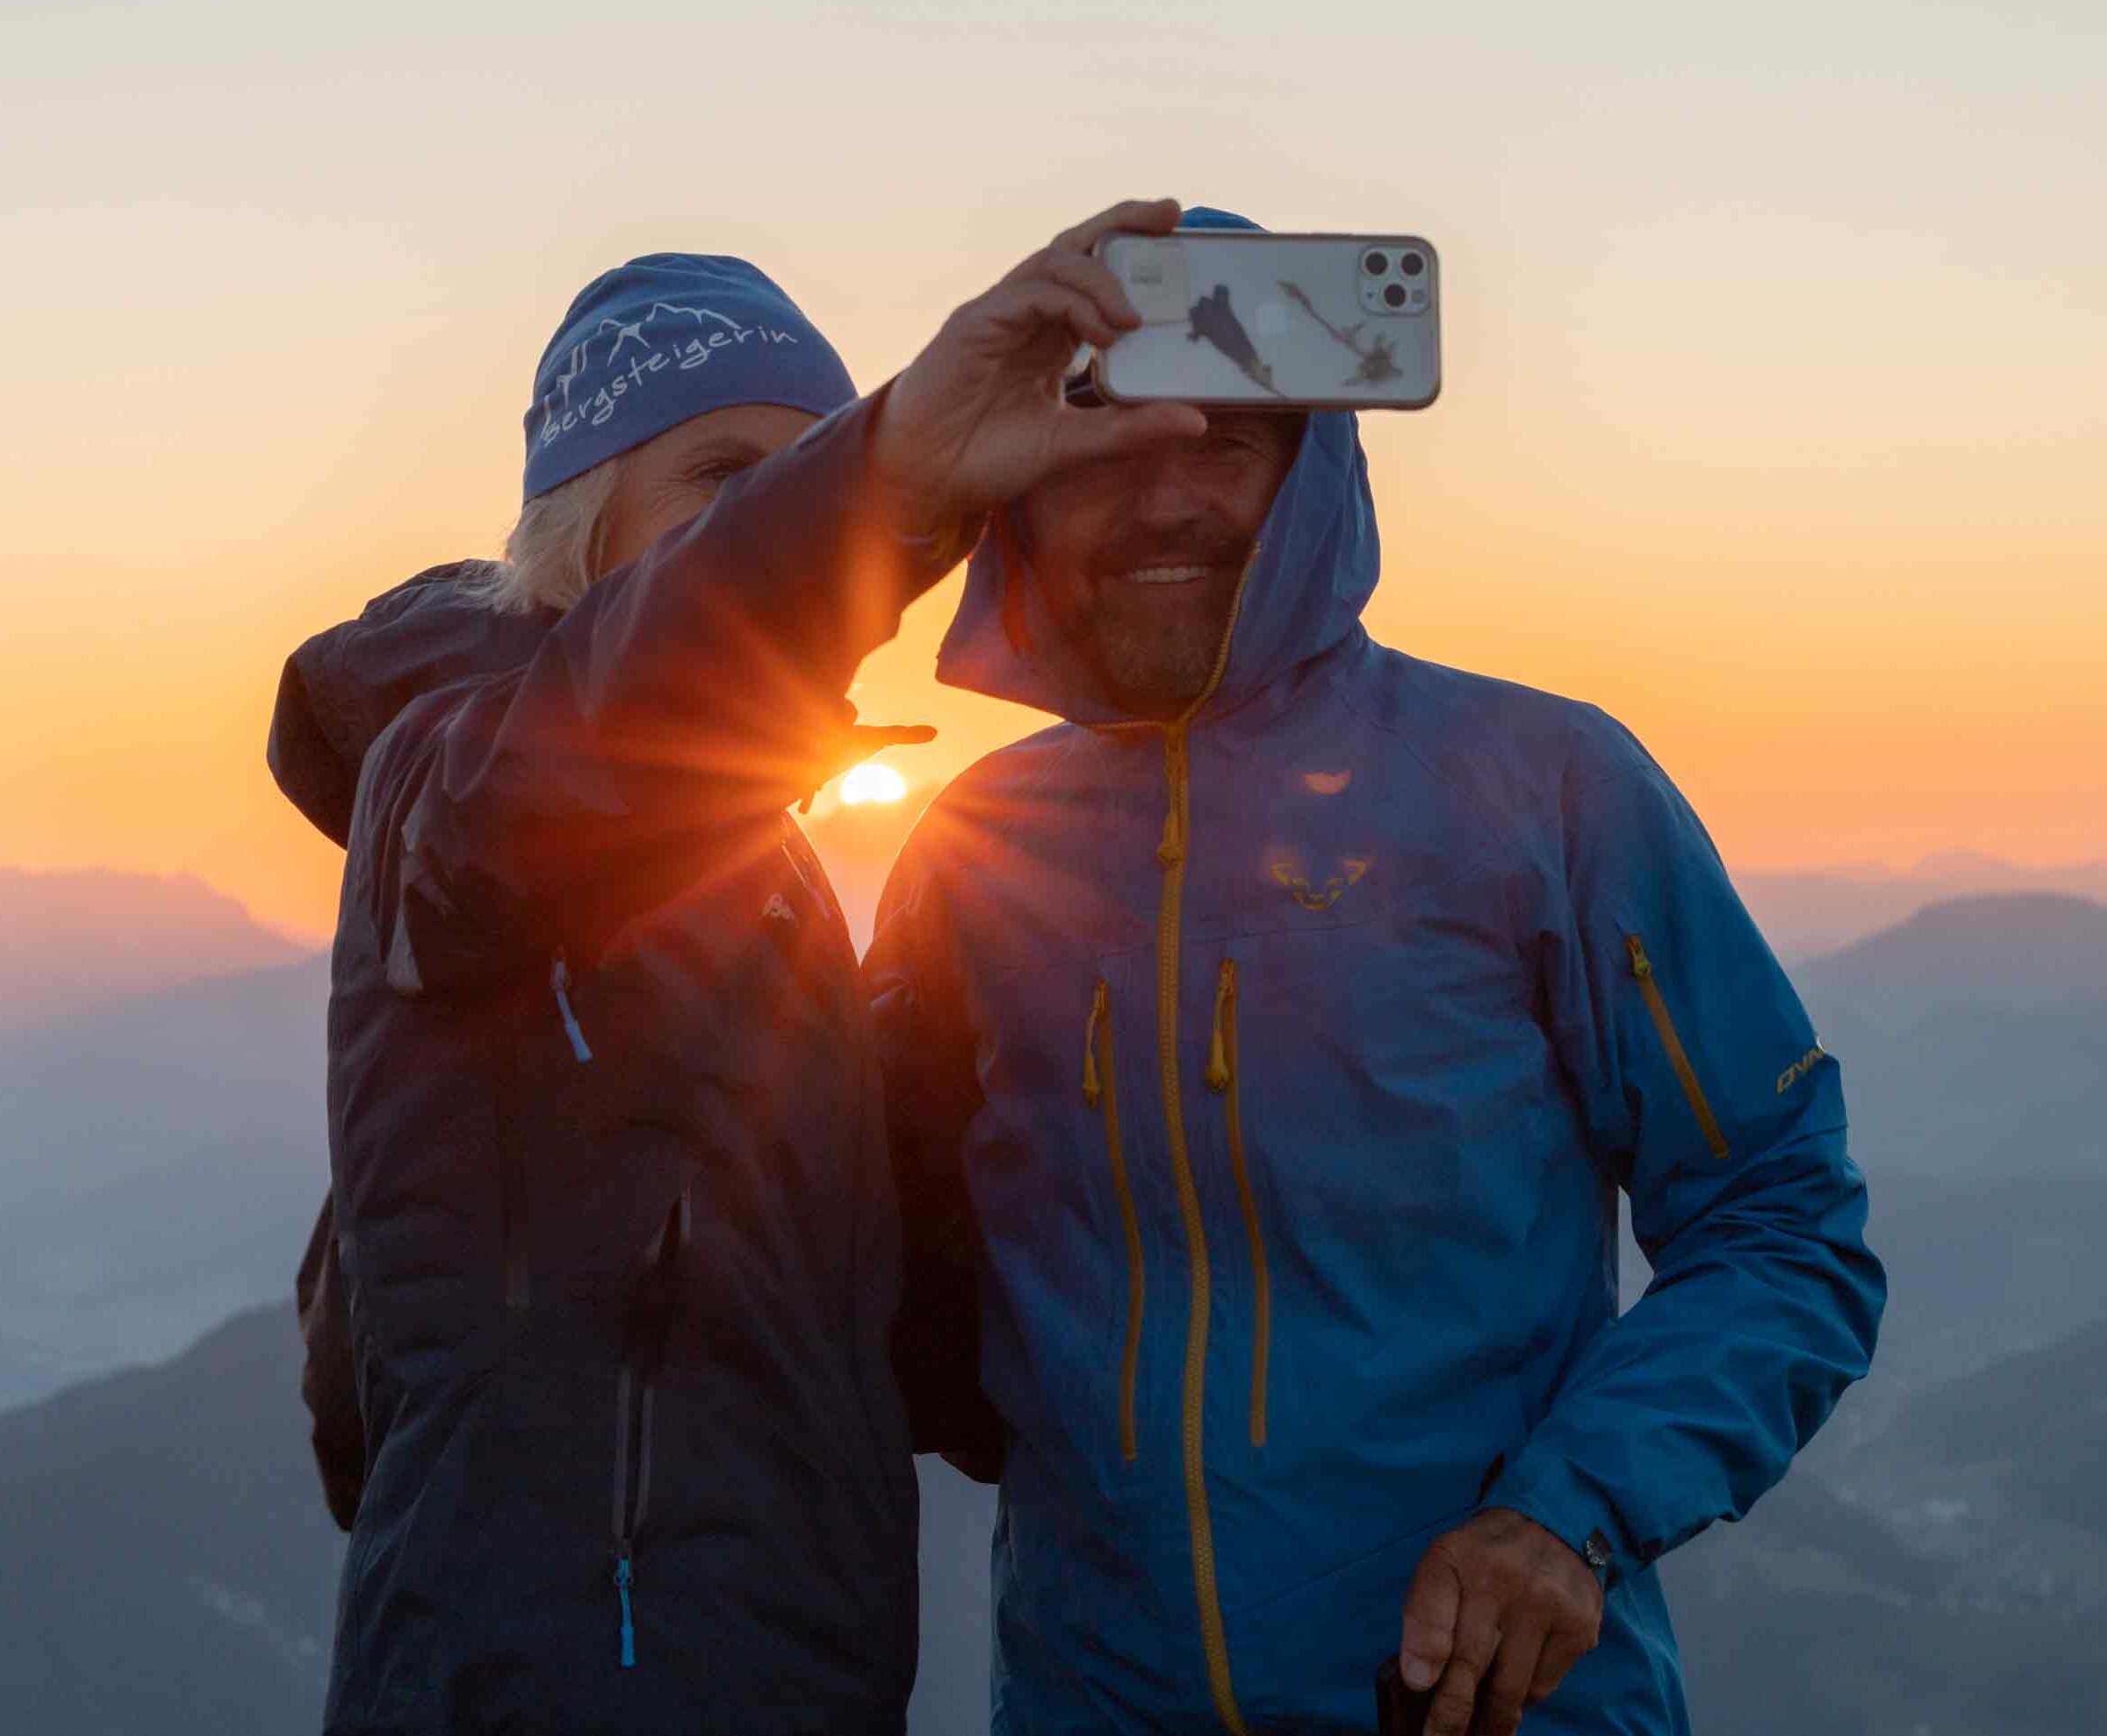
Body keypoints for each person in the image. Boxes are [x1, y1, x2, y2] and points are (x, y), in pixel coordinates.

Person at [869, 206, 1887, 1736]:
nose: (1161, 498)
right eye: (1095, 451)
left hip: (1487, 1707)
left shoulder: (1543, 786)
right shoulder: (973, 850)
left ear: (1313, 472)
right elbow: (888, 1246)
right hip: (1090, 1697)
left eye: (1223, 440)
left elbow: (1783, 1214)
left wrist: (1570, 1511)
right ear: (1019, 495)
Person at [266, 200, 1207, 1734]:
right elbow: (575, 768)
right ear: (582, 527)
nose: (758, 516)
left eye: (797, 468)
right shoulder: (451, 770)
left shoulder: (742, 860)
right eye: (715, 478)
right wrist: (884, 483)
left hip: (783, 1671)